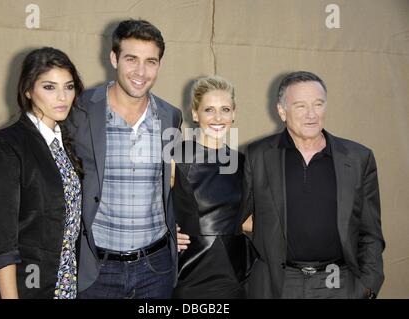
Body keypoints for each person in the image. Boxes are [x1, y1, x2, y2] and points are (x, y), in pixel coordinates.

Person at [242, 71, 385, 299]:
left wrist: (367, 286)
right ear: (282, 111)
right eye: (300, 106)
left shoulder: (359, 158)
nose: (311, 114)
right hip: (278, 284)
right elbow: (231, 217)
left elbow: (371, 232)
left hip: (338, 281)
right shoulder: (257, 155)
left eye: (318, 104)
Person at [68, 19, 183, 299]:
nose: (141, 72)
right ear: (114, 58)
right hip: (97, 269)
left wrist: (183, 224)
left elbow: (175, 182)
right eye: (131, 59)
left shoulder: (170, 117)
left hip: (155, 270)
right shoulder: (81, 110)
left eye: (151, 61)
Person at [0, 47, 84, 298]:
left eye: (68, 87)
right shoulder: (7, 144)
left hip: (63, 284)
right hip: (23, 287)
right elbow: (2, 240)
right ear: (27, 91)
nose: (62, 97)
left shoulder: (65, 143)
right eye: (49, 87)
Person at [171, 75, 257, 299]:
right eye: (209, 109)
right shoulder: (176, 157)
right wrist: (166, 230)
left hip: (233, 274)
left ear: (234, 113)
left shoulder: (243, 163)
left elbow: (242, 220)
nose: (218, 117)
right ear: (195, 114)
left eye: (225, 109)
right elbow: (147, 205)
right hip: (189, 272)